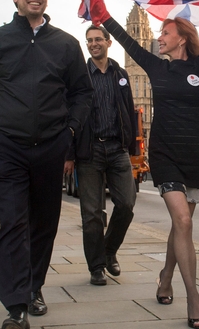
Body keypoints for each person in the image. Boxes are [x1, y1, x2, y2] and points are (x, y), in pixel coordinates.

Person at [83, 0, 199, 329]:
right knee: (184, 222)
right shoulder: (155, 65)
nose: (159, 37)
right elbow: (121, 35)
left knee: (181, 225)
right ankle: (194, 297)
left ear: (182, 38)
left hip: (194, 155)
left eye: (165, 32)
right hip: (163, 152)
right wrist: (97, 2)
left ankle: (166, 275)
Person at [0, 0, 93, 329]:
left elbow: (82, 93)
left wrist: (69, 130)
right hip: (6, 147)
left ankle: (34, 286)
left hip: (51, 147)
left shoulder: (67, 44)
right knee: (14, 224)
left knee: (43, 224)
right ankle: (16, 304)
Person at [66, 25, 138, 286]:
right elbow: (69, 115)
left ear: (109, 43)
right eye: (89, 41)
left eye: (98, 39)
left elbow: (129, 110)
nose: (93, 44)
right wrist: (69, 154)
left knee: (127, 205)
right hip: (89, 151)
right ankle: (96, 267)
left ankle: (109, 250)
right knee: (92, 214)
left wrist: (133, 148)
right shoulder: (79, 75)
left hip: (117, 149)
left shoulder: (121, 74)